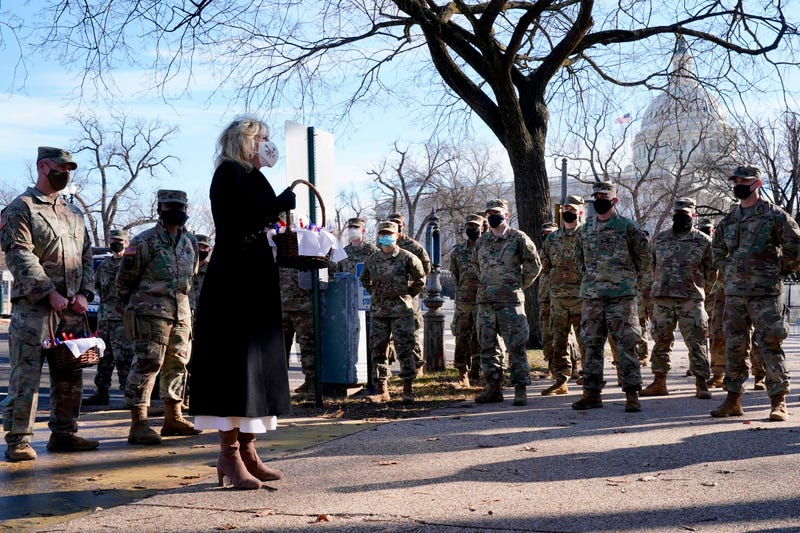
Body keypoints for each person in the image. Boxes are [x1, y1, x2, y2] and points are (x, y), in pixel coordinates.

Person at [189, 115, 295, 489]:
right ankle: (229, 456)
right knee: (235, 364)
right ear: (244, 141)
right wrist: (275, 207)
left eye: (268, 137)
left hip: (257, 275)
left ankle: (249, 451)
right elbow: (233, 223)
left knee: (258, 365)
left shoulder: (255, 176)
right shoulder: (228, 174)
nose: (266, 143)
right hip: (233, 277)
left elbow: (261, 222)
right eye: (260, 137)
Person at [1, 146, 99, 461]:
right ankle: (18, 439)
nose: (66, 173)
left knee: (70, 374)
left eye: (70, 168)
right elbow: (20, 254)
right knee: (26, 374)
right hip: (35, 309)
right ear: (43, 166)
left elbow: (86, 257)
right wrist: (48, 292)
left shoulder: (74, 214)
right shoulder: (21, 208)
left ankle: (64, 433)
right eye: (61, 167)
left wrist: (85, 293)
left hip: (71, 309)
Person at [710, 165, 800, 421]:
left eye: (743, 181)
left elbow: (795, 247)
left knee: (770, 343)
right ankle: (733, 399)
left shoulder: (774, 216)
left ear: (757, 184)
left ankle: (779, 400)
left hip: (765, 294)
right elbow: (716, 250)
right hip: (735, 294)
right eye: (735, 180)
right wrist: (727, 269)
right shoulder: (729, 220)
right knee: (734, 346)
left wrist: (777, 270)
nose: (738, 184)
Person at [117, 189, 201, 445]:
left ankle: (173, 417)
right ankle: (138, 423)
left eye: (181, 206)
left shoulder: (190, 242)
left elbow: (191, 276)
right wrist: (132, 309)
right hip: (150, 313)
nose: (176, 211)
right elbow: (124, 281)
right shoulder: (145, 240)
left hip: (181, 312)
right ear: (160, 209)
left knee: (178, 363)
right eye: (170, 206)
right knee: (147, 364)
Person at [572, 181, 651, 413]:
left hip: (622, 297)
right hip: (593, 297)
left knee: (626, 344)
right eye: (595, 196)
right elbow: (580, 261)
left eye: (603, 196)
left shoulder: (628, 227)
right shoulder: (585, 229)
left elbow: (644, 258)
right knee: (591, 344)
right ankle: (591, 393)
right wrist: (592, 281)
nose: (599, 200)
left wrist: (625, 279)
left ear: (614, 200)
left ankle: (632, 394)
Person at [640, 197, 714, 400]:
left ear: (694, 215)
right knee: (661, 342)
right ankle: (659, 381)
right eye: (678, 213)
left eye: (686, 213)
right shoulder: (661, 239)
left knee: (697, 342)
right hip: (663, 299)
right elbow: (653, 266)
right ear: (673, 214)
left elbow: (712, 272)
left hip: (691, 300)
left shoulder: (703, 241)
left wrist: (699, 289)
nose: (681, 216)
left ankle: (701, 382)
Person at [472, 199, 541, 406]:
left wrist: (518, 284)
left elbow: (534, 264)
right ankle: (493, 388)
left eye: (497, 212)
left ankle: (520, 389)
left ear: (506, 215)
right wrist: (487, 284)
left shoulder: (518, 238)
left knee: (516, 346)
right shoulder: (482, 241)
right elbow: (477, 265)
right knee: (487, 346)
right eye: (489, 213)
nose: (493, 216)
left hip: (510, 302)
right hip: (486, 302)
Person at [359, 221, 426, 404]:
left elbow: (420, 279)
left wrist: (407, 294)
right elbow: (364, 279)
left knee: (405, 349)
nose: (385, 237)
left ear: (397, 236)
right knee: (378, 350)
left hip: (401, 312)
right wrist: (374, 293)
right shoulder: (373, 259)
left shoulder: (407, 257)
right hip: (379, 312)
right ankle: (382, 390)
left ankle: (407, 389)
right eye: (382, 234)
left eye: (389, 233)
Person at [540, 195, 587, 395]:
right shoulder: (552, 239)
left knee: (586, 339)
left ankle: (589, 377)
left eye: (573, 209)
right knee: (558, 340)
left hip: (581, 297)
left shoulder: (586, 236)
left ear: (580, 212)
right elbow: (545, 265)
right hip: (558, 299)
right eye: (565, 209)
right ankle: (561, 379)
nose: (568, 212)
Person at [83, 229, 136, 406]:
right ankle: (101, 392)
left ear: (126, 243)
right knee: (104, 357)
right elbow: (97, 286)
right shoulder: (105, 265)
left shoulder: (131, 264)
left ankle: (128, 396)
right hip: (105, 317)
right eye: (113, 240)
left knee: (124, 358)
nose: (116, 243)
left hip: (123, 319)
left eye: (119, 241)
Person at [388, 212, 431, 375]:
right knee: (389, 334)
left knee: (411, 331)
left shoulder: (414, 247)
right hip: (387, 297)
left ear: (402, 225)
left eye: (397, 223)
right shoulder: (382, 245)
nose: (394, 225)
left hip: (407, 296)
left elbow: (424, 270)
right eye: (391, 222)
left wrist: (410, 290)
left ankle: (417, 365)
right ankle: (390, 366)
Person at [448, 214, 485, 389]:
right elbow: (455, 274)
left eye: (475, 226)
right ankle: (462, 374)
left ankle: (477, 372)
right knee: (462, 337)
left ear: (482, 228)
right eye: (469, 226)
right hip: (464, 301)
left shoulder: (487, 248)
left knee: (481, 337)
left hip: (483, 300)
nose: (472, 229)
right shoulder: (458, 251)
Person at [280, 267, 316, 394]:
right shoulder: (278, 254)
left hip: (303, 309)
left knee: (308, 347)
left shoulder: (308, 253)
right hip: (282, 308)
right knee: (279, 349)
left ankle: (311, 384)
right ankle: (279, 386)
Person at [537, 222, 559, 379]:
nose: (547, 236)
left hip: (561, 297)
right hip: (545, 298)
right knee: (547, 334)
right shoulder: (540, 252)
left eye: (550, 233)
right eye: (544, 233)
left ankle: (573, 366)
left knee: (565, 335)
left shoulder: (563, 251)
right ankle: (551, 366)